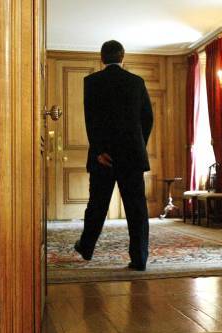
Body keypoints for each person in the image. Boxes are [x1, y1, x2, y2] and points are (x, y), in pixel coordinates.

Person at [74, 40, 153, 271]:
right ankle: (139, 259)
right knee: (137, 209)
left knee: (97, 205)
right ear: (123, 57)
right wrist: (138, 145)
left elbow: (92, 119)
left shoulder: (91, 82)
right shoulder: (137, 82)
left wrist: (99, 150)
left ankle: (86, 247)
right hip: (132, 156)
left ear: (101, 57)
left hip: (103, 157)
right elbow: (147, 118)